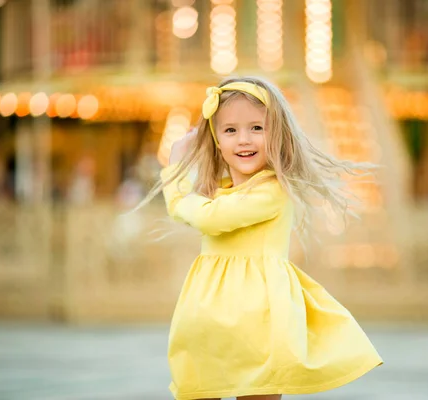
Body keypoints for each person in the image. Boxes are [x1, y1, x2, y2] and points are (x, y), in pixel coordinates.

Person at [147, 76, 383, 400]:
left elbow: (207, 217)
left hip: (257, 321)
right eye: (230, 130)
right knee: (199, 390)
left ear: (278, 134)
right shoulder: (217, 190)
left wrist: (174, 178)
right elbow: (203, 208)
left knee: (257, 393)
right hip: (205, 317)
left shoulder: (273, 190)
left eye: (257, 128)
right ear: (217, 139)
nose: (244, 139)